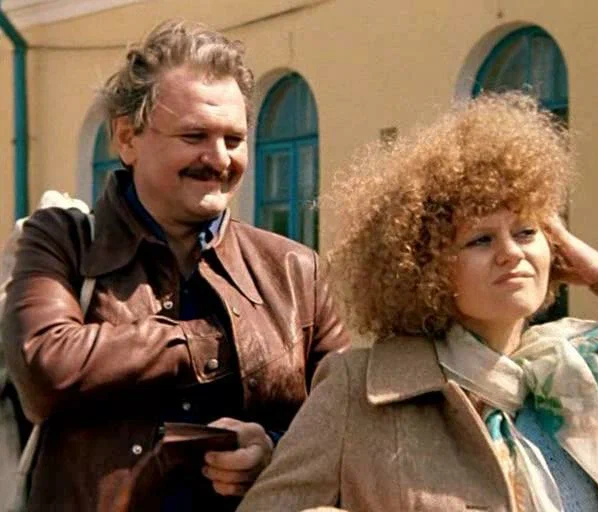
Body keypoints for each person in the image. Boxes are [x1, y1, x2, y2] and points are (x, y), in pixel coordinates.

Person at [237, 92, 598, 511]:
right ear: (425, 267)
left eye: (526, 232)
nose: (511, 253)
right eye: (480, 239)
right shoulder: (357, 391)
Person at [1, 20, 348, 511]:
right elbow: (44, 370)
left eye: (234, 139)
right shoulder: (64, 241)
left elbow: (344, 426)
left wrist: (272, 450)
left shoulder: (295, 270)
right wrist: (206, 343)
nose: (219, 158)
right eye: (194, 135)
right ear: (127, 138)